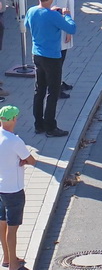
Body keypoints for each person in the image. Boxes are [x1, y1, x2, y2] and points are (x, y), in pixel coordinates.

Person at [26, 0, 74, 136]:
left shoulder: (31, 11)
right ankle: (50, 127)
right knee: (53, 92)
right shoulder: (54, 15)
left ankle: (38, 124)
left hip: (37, 55)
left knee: (39, 90)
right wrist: (67, 15)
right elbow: (71, 28)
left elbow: (27, 25)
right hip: (52, 57)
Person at [0, 103, 36, 265]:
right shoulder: (15, 141)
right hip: (13, 190)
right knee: (12, 227)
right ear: (14, 119)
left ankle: (7, 258)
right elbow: (32, 160)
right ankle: (13, 266)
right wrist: (24, 161)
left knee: (2, 223)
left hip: (0, 188)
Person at [45, 0, 73, 96]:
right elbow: (61, 12)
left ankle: (59, 82)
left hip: (52, 29)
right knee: (59, 60)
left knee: (57, 60)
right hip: (60, 32)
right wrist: (68, 31)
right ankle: (56, 88)